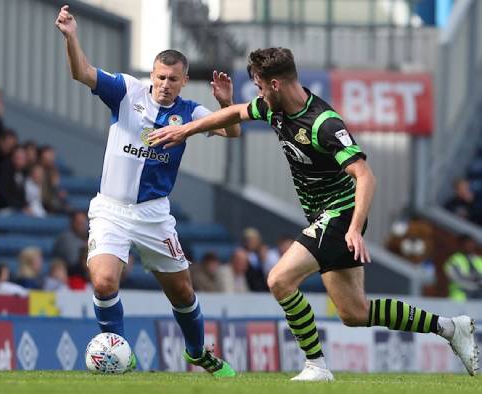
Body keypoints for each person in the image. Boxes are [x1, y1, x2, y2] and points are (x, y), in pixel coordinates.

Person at [149, 47, 479, 379]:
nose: (259, 94)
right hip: (323, 216)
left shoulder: (323, 123)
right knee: (354, 312)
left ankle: (316, 365)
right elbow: (235, 113)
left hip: (340, 215)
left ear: (275, 84)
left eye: (261, 87)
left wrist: (352, 228)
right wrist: (186, 130)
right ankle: (450, 328)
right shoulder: (272, 108)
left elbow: (366, 176)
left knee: (279, 280)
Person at [55, 5, 240, 376]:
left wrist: (225, 103)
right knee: (105, 281)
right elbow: (82, 73)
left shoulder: (189, 112)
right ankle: (117, 353)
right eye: (160, 76)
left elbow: (231, 131)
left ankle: (197, 352)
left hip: (153, 215)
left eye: (173, 79)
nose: (164, 84)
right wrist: (72, 37)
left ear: (184, 80)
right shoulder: (126, 91)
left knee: (183, 293)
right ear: (151, 74)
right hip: (111, 208)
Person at [444, 235, 482, 302]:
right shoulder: (454, 261)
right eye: (466, 243)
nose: (469, 245)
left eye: (471, 243)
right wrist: (476, 286)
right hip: (460, 299)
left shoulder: (479, 260)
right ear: (461, 245)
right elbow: (457, 280)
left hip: (478, 299)